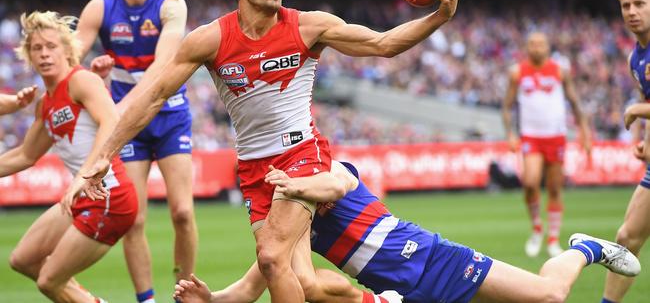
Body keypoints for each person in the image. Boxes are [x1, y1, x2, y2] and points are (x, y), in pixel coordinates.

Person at [81, 0, 460, 302]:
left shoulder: (309, 26)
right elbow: (153, 97)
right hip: (253, 169)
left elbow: (384, 44)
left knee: (271, 258)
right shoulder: (208, 40)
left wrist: (440, 16)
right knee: (303, 282)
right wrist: (105, 153)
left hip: (301, 155)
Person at [173, 160, 641, 303]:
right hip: (394, 291)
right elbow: (258, 281)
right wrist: (211, 300)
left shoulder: (326, 170)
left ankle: (583, 248)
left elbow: (337, 182)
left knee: (549, 297)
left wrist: (295, 183)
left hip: (433, 260)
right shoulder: (286, 221)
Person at [75, 0, 196, 301]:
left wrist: (120, 107)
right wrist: (92, 74)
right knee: (135, 219)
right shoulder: (99, 7)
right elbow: (71, 55)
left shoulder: (172, 4)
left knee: (184, 213)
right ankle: (147, 299)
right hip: (128, 127)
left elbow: (163, 64)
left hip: (168, 114)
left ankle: (185, 292)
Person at [3, 11, 138, 302]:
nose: (44, 54)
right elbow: (25, 155)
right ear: (28, 55)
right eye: (36, 48)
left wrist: (82, 177)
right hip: (82, 196)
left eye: (51, 46)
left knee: (49, 280)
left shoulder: (82, 81)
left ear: (67, 50)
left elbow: (111, 122)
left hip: (109, 196)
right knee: (22, 260)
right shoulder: (46, 102)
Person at [502, 32, 592, 258]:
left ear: (548, 46)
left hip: (556, 136)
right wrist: (510, 134)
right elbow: (507, 106)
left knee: (554, 188)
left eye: (540, 43)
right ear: (526, 47)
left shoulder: (560, 70)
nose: (536, 47)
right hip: (531, 136)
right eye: (532, 43)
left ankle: (553, 239)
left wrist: (584, 131)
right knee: (531, 182)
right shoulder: (517, 72)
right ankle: (536, 228)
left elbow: (574, 101)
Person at [603, 0, 650, 303]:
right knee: (627, 237)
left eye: (639, 4)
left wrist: (637, 111)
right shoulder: (637, 56)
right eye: (625, 5)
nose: (631, 11)